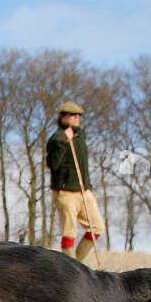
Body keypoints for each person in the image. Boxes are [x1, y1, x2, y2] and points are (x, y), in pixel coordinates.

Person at [46, 101, 106, 263]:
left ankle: (74, 267)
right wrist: (63, 144)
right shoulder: (56, 139)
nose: (77, 118)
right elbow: (53, 165)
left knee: (97, 227)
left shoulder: (80, 136)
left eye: (79, 115)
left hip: (84, 190)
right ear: (63, 117)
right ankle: (71, 270)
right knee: (69, 231)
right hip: (65, 192)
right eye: (73, 115)